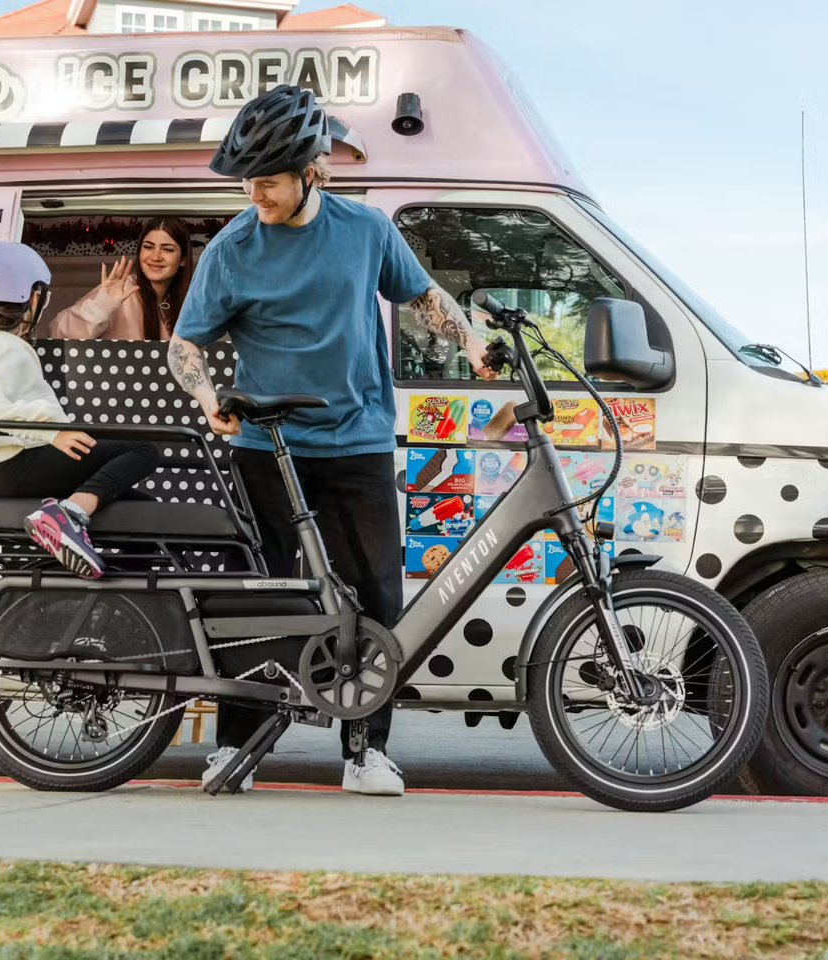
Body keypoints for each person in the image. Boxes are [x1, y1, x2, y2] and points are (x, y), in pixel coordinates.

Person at [168, 86, 494, 796]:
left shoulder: (366, 230)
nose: (255, 192)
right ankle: (234, 745)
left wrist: (470, 341)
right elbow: (185, 344)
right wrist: (208, 398)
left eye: (269, 179)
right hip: (266, 447)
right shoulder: (232, 247)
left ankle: (365, 751)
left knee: (374, 595)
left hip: (357, 440)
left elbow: (421, 296)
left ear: (310, 171)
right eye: (247, 179)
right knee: (257, 597)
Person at [0, 242, 159, 579]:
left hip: (16, 465)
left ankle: (120, 586)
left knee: (145, 510)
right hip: (20, 465)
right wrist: (52, 432)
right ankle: (69, 516)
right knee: (142, 449)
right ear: (32, 297)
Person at [51, 218, 194, 340]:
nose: (156, 257)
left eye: (167, 249)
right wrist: (102, 305)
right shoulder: (122, 289)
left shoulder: (186, 303)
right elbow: (59, 333)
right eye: (148, 247)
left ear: (183, 259)